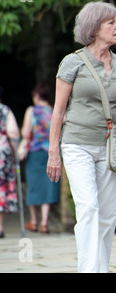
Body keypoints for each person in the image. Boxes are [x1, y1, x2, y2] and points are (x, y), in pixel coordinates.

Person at [47, 1, 116, 273]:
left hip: (111, 146)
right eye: (111, 23)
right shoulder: (72, 62)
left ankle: (101, 269)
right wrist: (54, 152)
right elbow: (58, 111)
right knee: (88, 209)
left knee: (107, 217)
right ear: (94, 28)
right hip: (77, 145)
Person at [19, 84, 60, 234]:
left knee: (34, 184)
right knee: (48, 185)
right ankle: (44, 223)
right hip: (51, 152)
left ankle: (34, 221)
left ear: (36, 96)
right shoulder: (54, 111)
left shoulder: (32, 111)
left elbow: (25, 132)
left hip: (35, 152)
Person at [0, 86, 20, 238]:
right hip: (2, 152)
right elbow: (12, 132)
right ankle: (0, 227)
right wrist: (15, 151)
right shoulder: (4, 110)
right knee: (1, 188)